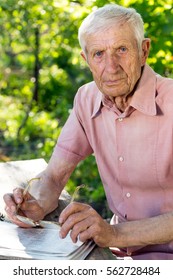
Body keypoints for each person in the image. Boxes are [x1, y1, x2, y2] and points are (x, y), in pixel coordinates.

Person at [3, 4, 173, 260]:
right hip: (120, 255)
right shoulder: (86, 98)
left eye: (122, 50)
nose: (111, 66)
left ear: (143, 51)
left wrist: (114, 233)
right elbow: (54, 176)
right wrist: (34, 204)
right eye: (98, 54)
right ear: (86, 60)